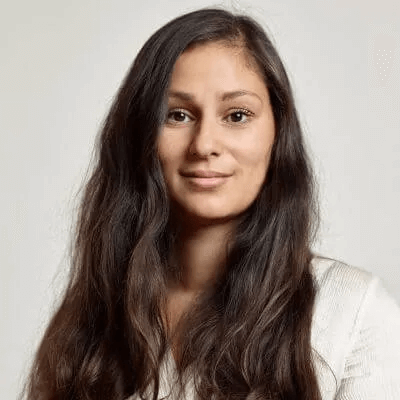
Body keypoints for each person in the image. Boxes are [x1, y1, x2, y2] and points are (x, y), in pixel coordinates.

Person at [23, 7, 400, 400]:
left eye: (237, 116)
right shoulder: (88, 324)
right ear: (140, 135)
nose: (204, 145)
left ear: (278, 132)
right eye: (177, 115)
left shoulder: (353, 315)